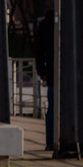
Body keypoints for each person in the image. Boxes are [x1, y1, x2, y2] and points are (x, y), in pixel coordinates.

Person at [34, 10, 54, 150]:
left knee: (52, 109)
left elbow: (39, 51)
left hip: (51, 72)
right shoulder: (71, 19)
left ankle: (50, 142)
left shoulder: (44, 25)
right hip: (72, 74)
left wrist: (41, 71)